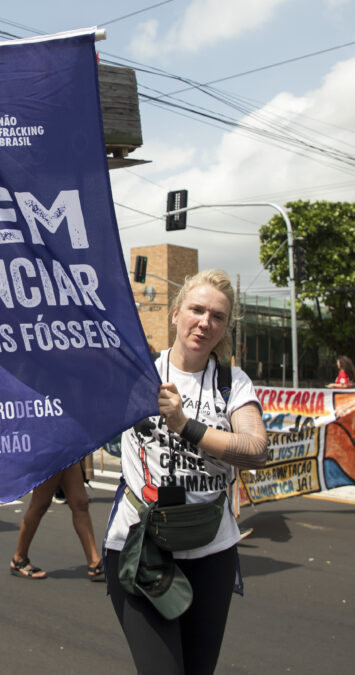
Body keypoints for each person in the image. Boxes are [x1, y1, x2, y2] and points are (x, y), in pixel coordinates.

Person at [103, 269, 268, 674]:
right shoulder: (138, 374)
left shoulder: (232, 383)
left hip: (211, 550)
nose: (205, 323)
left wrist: (185, 425)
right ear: (175, 314)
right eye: (196, 310)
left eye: (217, 316)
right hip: (140, 546)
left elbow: (255, 449)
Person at [9, 463, 104, 581]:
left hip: (67, 452)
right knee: (40, 504)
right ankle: (19, 559)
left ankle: (94, 563)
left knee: (80, 504)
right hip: (50, 453)